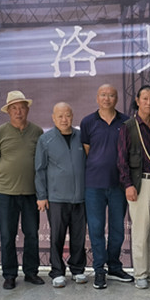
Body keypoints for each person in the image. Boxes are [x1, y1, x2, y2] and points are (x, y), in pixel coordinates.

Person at [81, 84, 134, 289]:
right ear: (97, 98)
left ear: (116, 98)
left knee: (117, 229)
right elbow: (87, 150)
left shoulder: (126, 122)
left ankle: (114, 266)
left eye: (111, 95)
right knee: (96, 229)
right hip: (94, 185)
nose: (107, 98)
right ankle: (99, 270)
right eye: (103, 95)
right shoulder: (88, 122)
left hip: (119, 185)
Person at [0, 90, 44, 290]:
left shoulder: (37, 131)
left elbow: (41, 160)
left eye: (22, 107)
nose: (18, 111)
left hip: (31, 193)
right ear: (8, 111)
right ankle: (9, 275)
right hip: (7, 193)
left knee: (32, 235)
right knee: (7, 236)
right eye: (14, 108)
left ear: (27, 109)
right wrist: (9, 171)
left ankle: (31, 272)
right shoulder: (0, 132)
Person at [118, 86, 150, 289]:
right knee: (140, 230)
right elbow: (122, 159)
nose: (149, 102)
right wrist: (128, 184)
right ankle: (139, 273)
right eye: (145, 98)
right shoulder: (128, 126)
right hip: (140, 184)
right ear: (137, 100)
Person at [35, 102, 88, 287]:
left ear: (72, 116)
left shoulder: (81, 137)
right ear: (53, 118)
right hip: (56, 198)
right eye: (60, 116)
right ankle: (57, 271)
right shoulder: (45, 140)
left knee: (79, 236)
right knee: (57, 236)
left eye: (67, 115)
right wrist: (42, 196)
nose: (64, 119)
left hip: (80, 197)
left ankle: (78, 269)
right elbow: (40, 169)